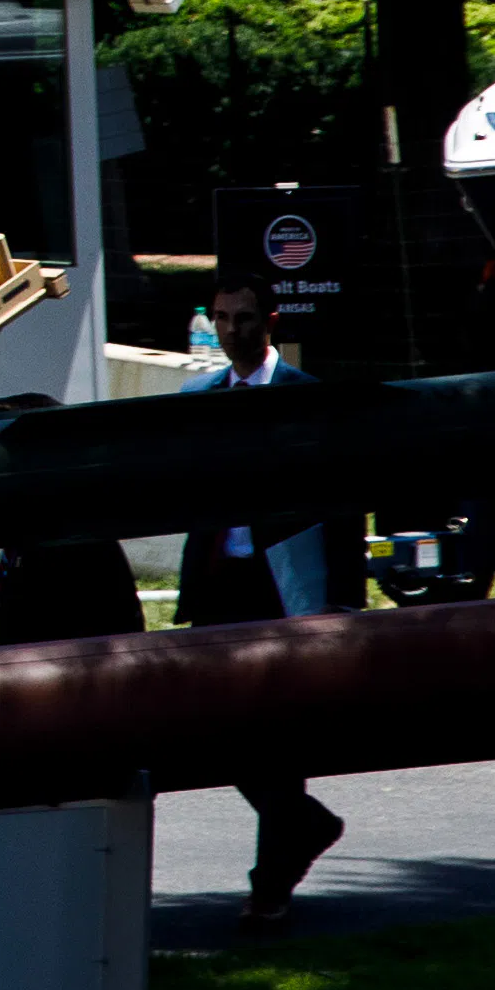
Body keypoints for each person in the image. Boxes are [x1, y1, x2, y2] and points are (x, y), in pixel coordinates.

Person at [173, 266, 350, 930]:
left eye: (242, 319)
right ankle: (305, 827)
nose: (229, 331)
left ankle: (268, 890)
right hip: (222, 585)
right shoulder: (197, 396)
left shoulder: (305, 397)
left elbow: (339, 502)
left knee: (278, 741)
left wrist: (338, 598)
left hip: (285, 589)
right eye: (220, 318)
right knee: (215, 730)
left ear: (269, 321)